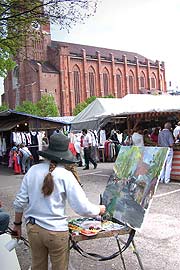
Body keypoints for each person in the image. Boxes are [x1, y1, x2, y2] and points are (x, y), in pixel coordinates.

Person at [13, 132, 106, 270]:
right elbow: (82, 207)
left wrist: (17, 225)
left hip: (33, 229)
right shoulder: (66, 175)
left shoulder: (32, 170)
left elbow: (20, 202)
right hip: (56, 232)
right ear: (64, 155)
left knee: (37, 266)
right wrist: (99, 209)